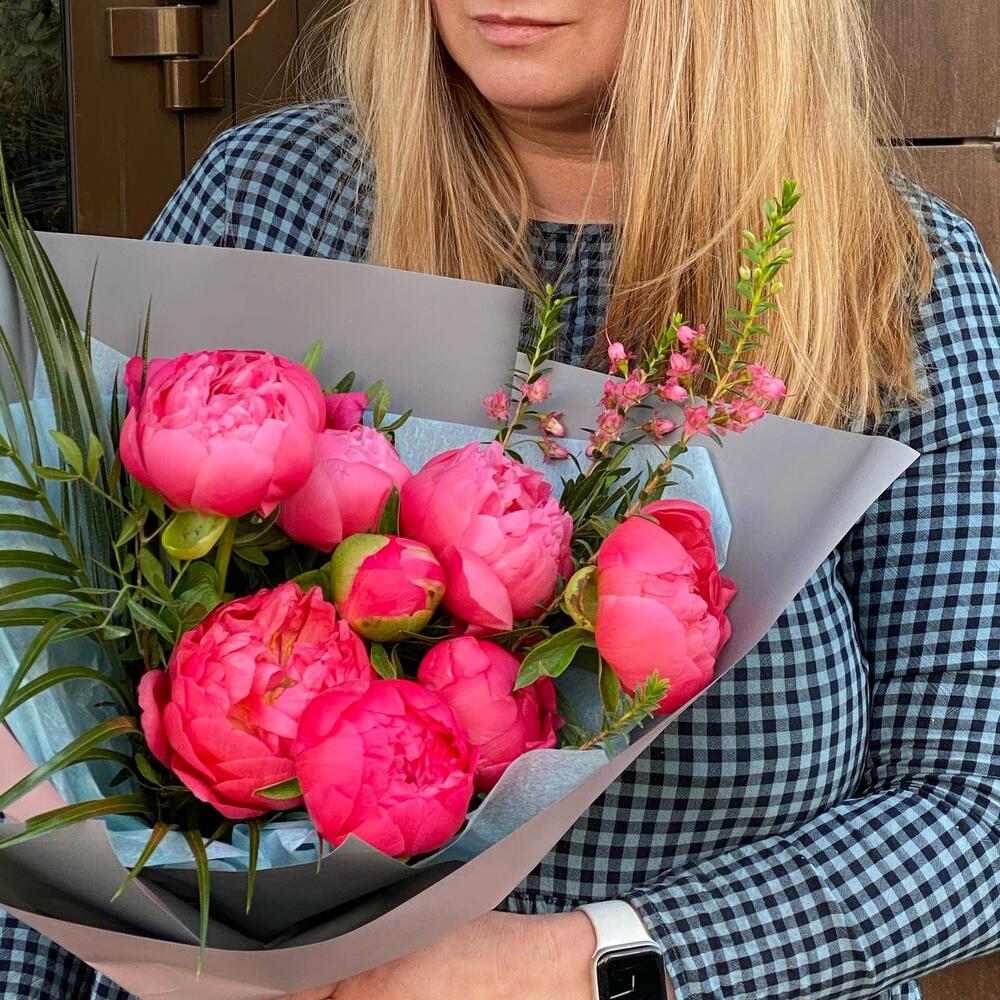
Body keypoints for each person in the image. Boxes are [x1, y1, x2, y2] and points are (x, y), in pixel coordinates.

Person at [3, 2, 998, 998]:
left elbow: (974, 810)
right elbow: (51, 739)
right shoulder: (268, 198)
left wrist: (578, 963)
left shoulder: (887, 275)